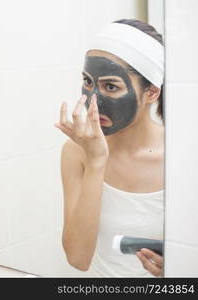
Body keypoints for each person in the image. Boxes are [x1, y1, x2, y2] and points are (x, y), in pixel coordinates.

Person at [55, 19, 164, 277]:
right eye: (88, 82)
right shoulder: (76, 152)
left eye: (111, 86)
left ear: (151, 92)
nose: (94, 101)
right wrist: (95, 162)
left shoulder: (184, 157)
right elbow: (78, 258)